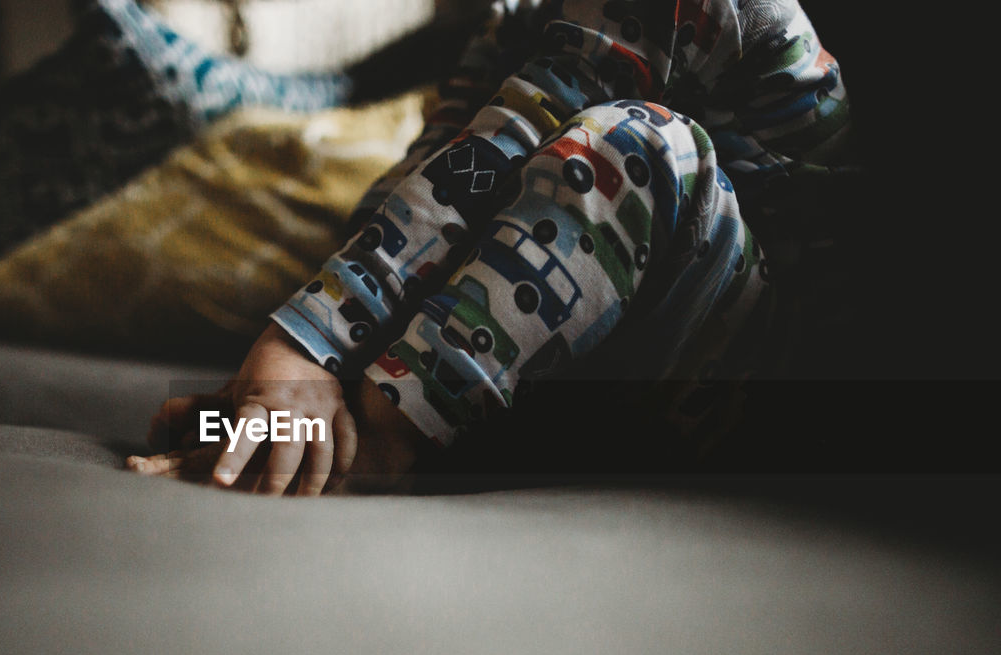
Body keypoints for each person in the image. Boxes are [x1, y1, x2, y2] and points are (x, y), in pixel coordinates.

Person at [127, 0, 855, 494]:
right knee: (448, 181)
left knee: (635, 145)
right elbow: (435, 168)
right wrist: (291, 381)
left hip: (765, 390)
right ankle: (325, 423)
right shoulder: (512, 13)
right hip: (604, 366)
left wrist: (306, 341)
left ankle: (374, 444)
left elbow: (508, 143)